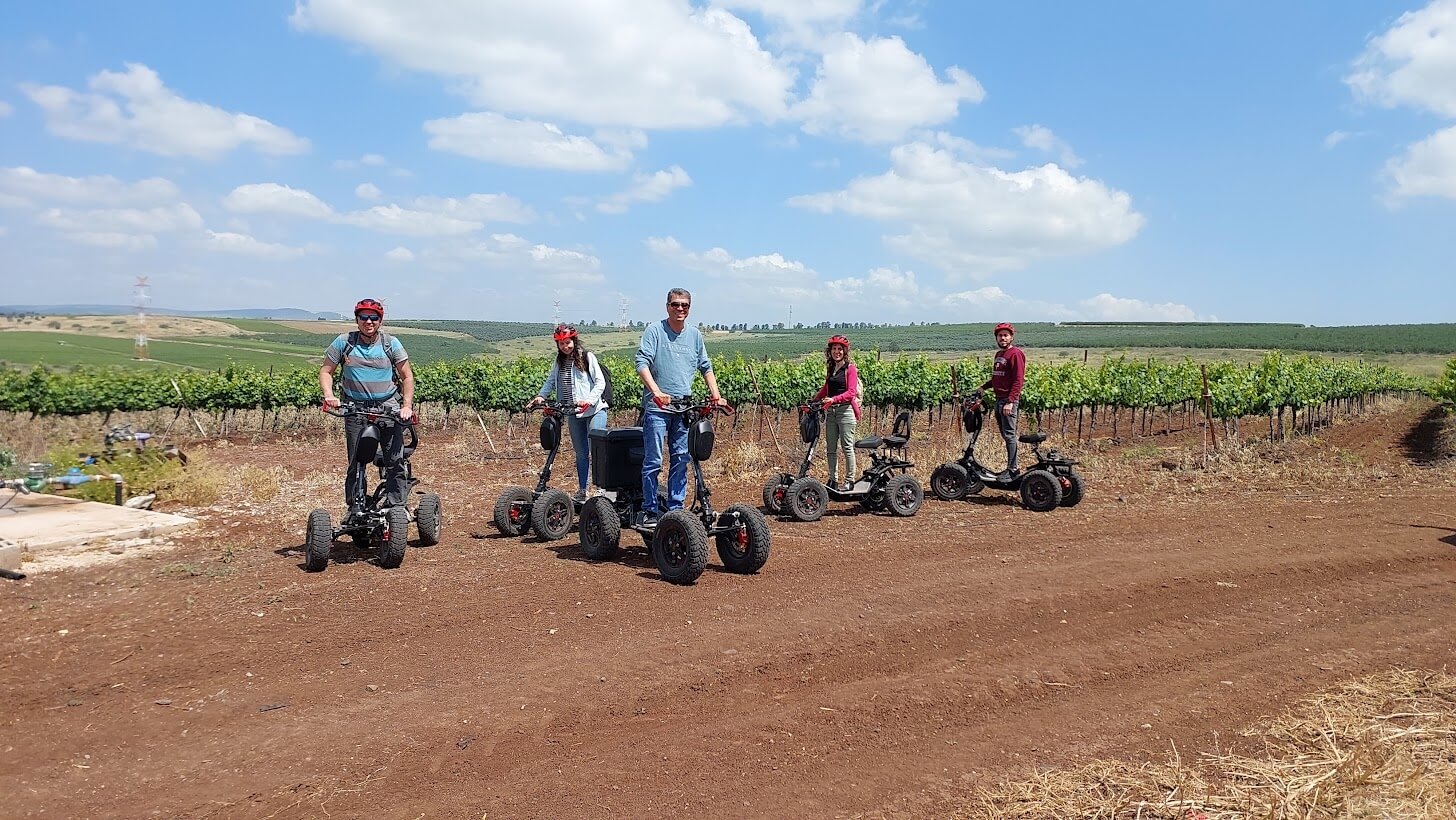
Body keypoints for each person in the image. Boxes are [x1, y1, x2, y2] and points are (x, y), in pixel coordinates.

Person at [635, 288, 728, 525]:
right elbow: (641, 363)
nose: (680, 309)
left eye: (684, 305)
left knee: (681, 458)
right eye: (675, 304)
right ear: (667, 306)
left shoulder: (695, 335)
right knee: (654, 460)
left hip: (684, 408)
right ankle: (649, 509)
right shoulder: (655, 331)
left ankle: (676, 509)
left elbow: (705, 366)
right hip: (657, 408)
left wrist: (716, 395)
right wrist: (656, 392)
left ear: (689, 308)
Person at [319, 298, 415, 516]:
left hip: (388, 408)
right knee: (356, 462)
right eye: (364, 317)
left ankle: (396, 506)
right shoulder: (344, 342)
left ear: (380, 321)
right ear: (357, 320)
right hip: (356, 408)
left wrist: (406, 406)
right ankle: (355, 507)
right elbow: (326, 371)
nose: (369, 321)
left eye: (374, 317)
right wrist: (329, 395)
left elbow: (407, 376)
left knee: (395, 459)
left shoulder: (391, 344)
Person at [525, 324, 609, 502]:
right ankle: (582, 490)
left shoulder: (587, 357)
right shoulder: (559, 361)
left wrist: (589, 400)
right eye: (561, 344)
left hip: (594, 410)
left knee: (597, 450)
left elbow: (600, 383)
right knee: (580, 453)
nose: (565, 346)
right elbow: (550, 382)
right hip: (573, 412)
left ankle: (601, 489)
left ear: (574, 340)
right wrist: (541, 396)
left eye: (568, 342)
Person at [810, 334, 861, 491]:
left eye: (840, 349)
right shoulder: (831, 368)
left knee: (847, 446)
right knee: (831, 448)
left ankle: (850, 480)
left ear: (845, 351)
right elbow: (827, 388)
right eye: (834, 349)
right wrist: (814, 399)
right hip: (831, 412)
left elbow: (851, 392)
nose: (836, 352)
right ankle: (833, 480)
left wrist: (834, 399)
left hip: (845, 411)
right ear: (829, 351)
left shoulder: (850, 369)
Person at [978, 321, 1026, 481]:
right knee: (1006, 435)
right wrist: (984, 387)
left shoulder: (1015, 354)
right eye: (1000, 335)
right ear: (996, 338)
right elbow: (997, 377)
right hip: (999, 400)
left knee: (1010, 435)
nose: (1003, 338)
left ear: (1011, 337)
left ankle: (1013, 470)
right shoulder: (999, 355)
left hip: (1007, 401)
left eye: (1006, 335)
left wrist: (1011, 401)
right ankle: (1010, 468)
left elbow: (1018, 380)